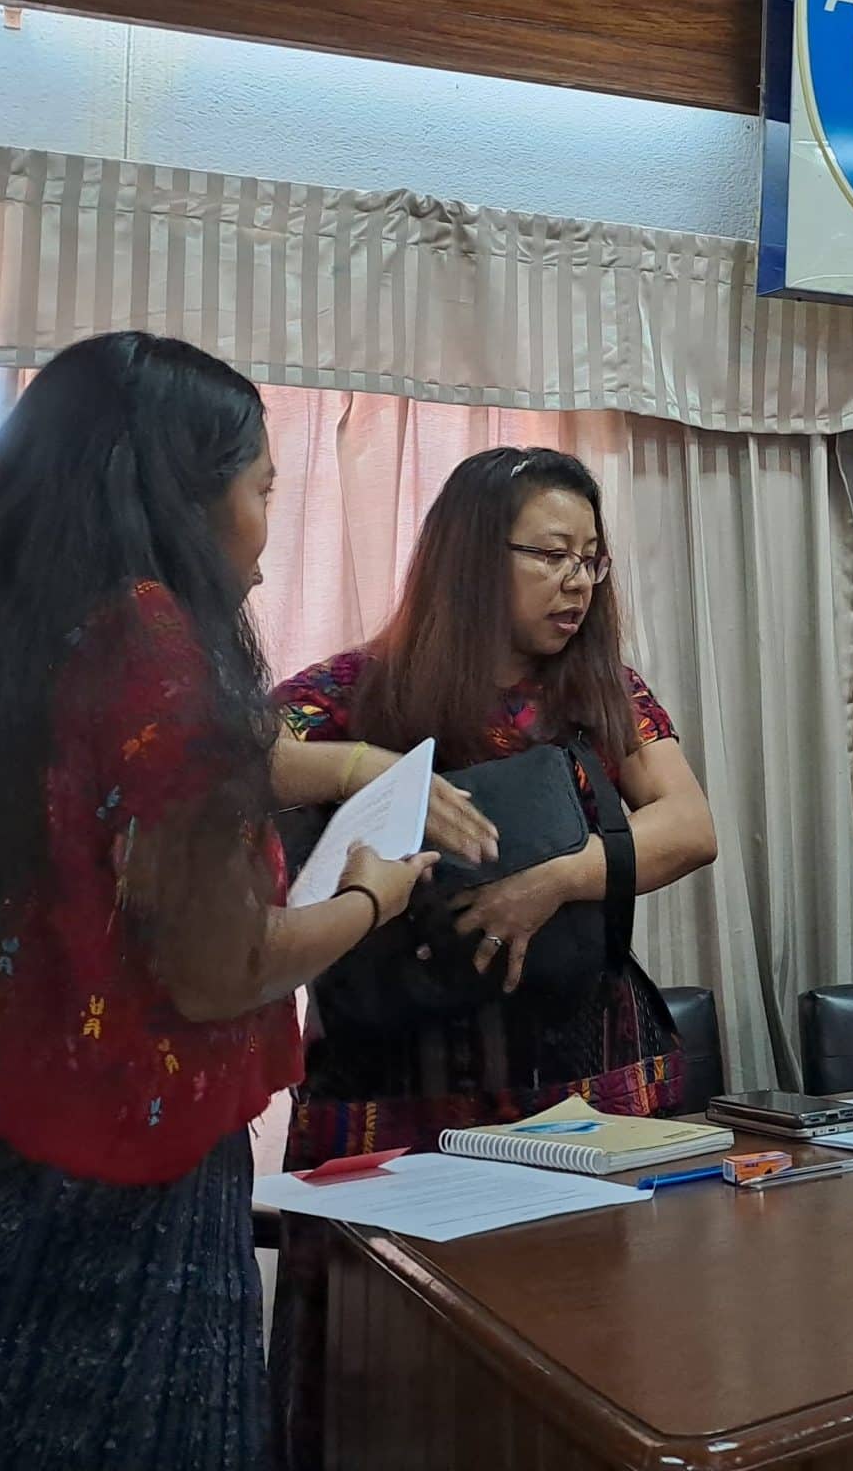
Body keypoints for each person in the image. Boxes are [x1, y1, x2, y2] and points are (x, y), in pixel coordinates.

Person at [0, 332, 439, 1470]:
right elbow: (219, 967)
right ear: (185, 489)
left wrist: (349, 767)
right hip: (96, 1251)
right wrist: (370, 897)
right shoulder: (157, 652)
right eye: (263, 488)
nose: (269, 529)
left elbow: (172, 769)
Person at [267, 445, 717, 1469]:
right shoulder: (356, 689)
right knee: (387, 1372)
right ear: (473, 558)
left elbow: (690, 826)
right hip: (395, 1076)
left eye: (592, 560)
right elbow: (224, 754)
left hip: (574, 1070)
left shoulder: (604, 693)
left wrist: (553, 880)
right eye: (551, 554)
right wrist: (366, 767)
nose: (577, 581)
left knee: (589, 1358)